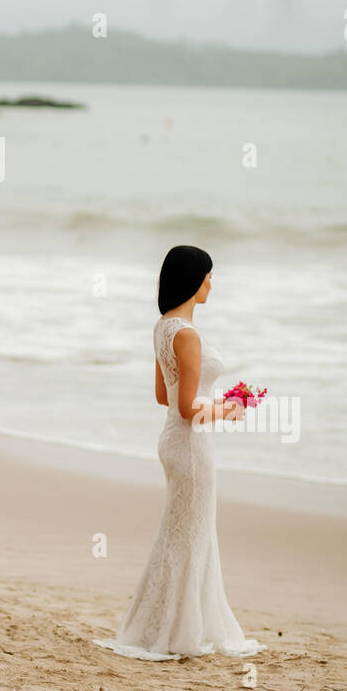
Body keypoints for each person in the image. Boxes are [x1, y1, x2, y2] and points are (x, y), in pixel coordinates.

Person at [95, 245, 263, 660]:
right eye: (207, 275)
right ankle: (177, 631)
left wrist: (214, 402)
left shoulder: (163, 328)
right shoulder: (186, 335)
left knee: (183, 533)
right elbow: (188, 409)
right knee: (192, 534)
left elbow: (162, 396)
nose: (211, 283)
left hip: (173, 440)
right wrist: (228, 409)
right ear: (192, 279)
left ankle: (166, 624)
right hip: (190, 444)